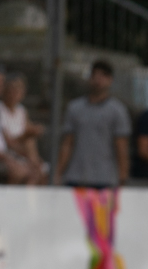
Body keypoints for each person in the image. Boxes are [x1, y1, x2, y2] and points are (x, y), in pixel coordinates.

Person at [55, 60, 132, 189]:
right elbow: (67, 143)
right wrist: (58, 171)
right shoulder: (75, 108)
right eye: (95, 75)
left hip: (105, 178)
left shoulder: (118, 111)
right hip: (76, 176)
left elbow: (121, 146)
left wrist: (123, 176)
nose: (98, 80)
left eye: (103, 76)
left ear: (110, 80)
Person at [0, 73, 47, 182]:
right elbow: (8, 142)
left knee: (42, 174)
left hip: (23, 154)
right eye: (12, 89)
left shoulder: (22, 111)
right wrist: (27, 135)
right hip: (7, 153)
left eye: (19, 89)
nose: (15, 93)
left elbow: (28, 136)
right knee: (27, 172)